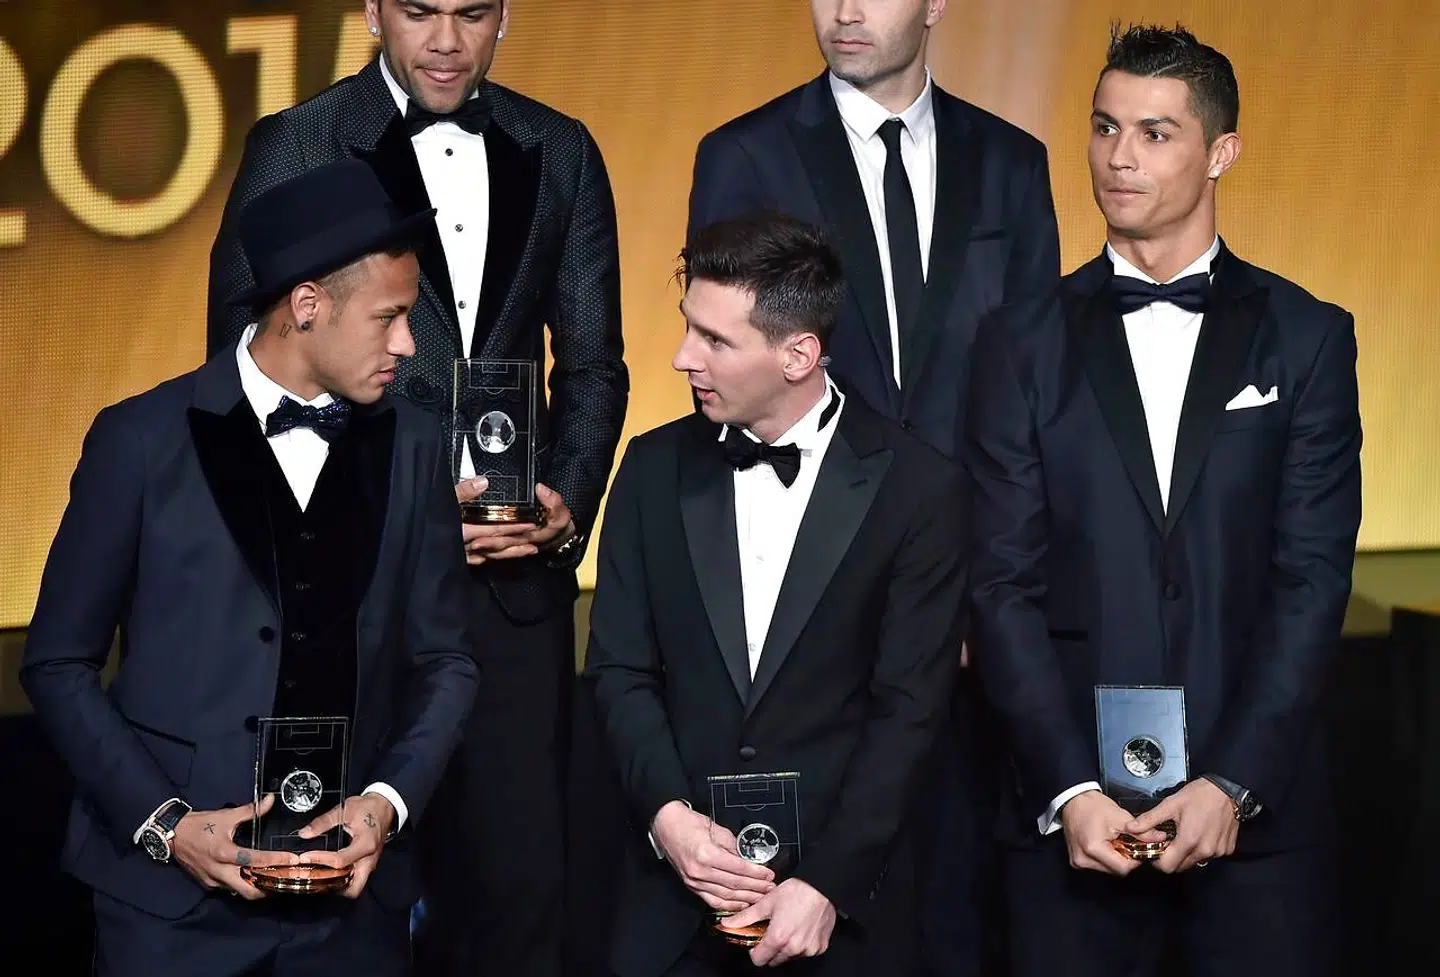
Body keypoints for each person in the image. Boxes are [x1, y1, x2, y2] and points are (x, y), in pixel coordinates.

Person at [206, 3, 628, 975]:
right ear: (371, 10)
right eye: (420, 10)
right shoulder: (299, 142)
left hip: (509, 591)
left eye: (472, 12)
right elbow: (241, 369)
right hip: (351, 586)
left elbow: (595, 366)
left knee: (519, 904)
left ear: (506, 17)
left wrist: (561, 504)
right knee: (336, 900)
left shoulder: (559, 148)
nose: (445, 39)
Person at [965, 25, 1361, 977]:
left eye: (1154, 133)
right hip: (1073, 826)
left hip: (1258, 828)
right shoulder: (1017, 341)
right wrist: (1068, 786)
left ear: (1221, 151)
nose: (1118, 157)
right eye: (1105, 128)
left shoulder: (1306, 337)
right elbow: (1000, 584)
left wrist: (1233, 780)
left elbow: (1312, 581)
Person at [21, 158, 479, 977]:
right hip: (166, 913)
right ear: (307, 306)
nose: (409, 345)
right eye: (391, 317)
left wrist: (385, 804)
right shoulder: (139, 440)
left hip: (349, 918)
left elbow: (445, 660)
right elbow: (57, 663)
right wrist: (166, 823)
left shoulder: (415, 444)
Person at [583, 211, 968, 977]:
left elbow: (911, 709)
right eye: (690, 327)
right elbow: (621, 670)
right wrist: (671, 821)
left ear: (800, 353)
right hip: (673, 918)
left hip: (843, 916)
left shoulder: (920, 489)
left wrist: (827, 880)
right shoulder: (652, 469)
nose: (681, 357)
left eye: (715, 341)